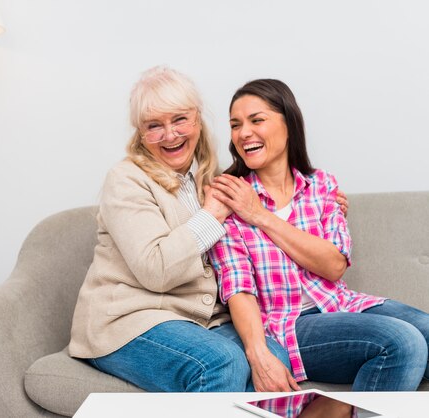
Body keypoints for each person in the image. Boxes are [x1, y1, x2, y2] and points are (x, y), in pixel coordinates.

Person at [68, 66, 299, 392]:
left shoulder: (210, 176)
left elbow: (258, 228)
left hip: (201, 320)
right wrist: (212, 214)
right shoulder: (126, 180)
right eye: (154, 126)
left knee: (275, 356)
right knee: (221, 361)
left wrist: (325, 200)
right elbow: (156, 269)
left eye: (179, 119)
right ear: (139, 133)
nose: (170, 134)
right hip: (130, 320)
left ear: (197, 119)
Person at [211, 78, 429, 392]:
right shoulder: (229, 196)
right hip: (286, 324)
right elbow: (238, 288)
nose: (243, 133)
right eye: (235, 124)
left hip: (339, 303)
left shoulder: (321, 185)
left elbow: (334, 265)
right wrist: (257, 354)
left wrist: (260, 215)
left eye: (257, 120)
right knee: (402, 342)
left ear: (289, 125)